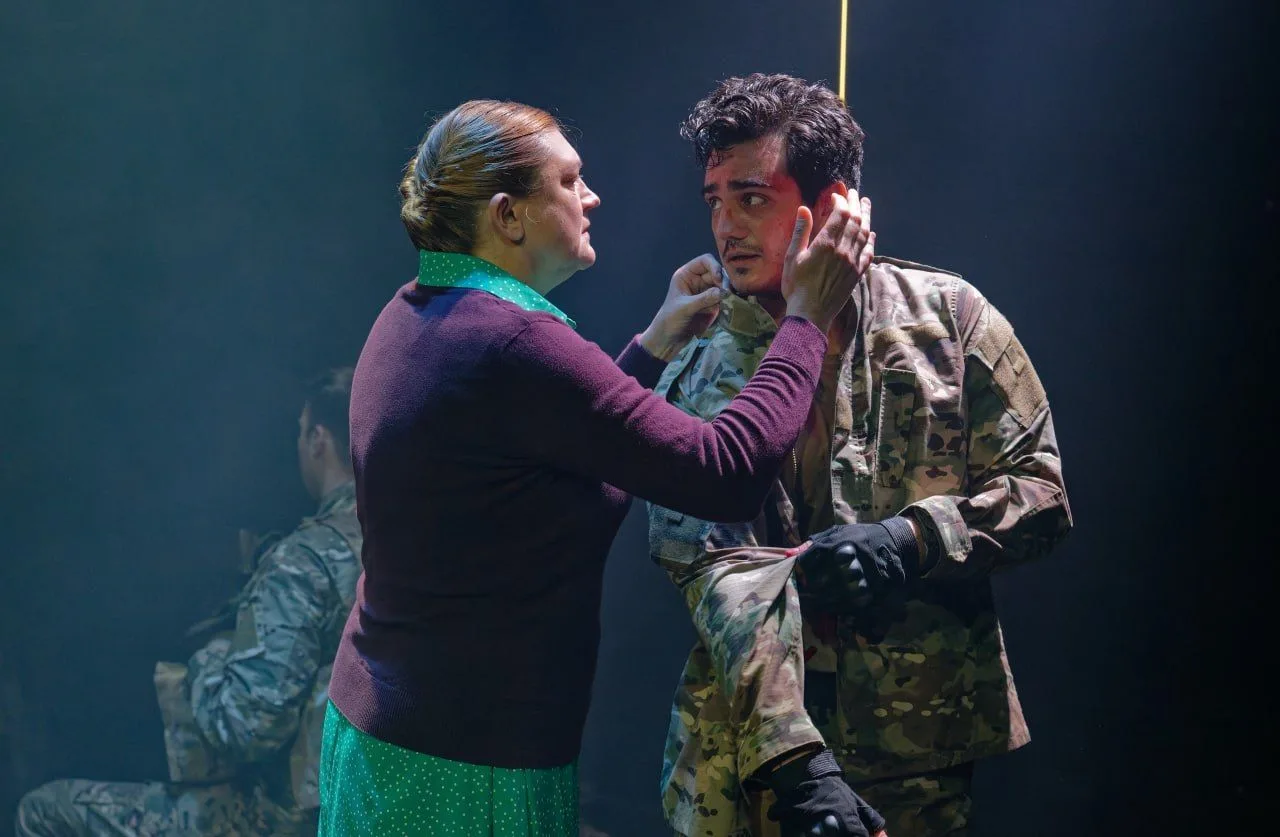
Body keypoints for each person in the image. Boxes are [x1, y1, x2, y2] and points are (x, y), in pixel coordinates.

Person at [320, 98, 881, 837]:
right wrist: (807, 316)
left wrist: (652, 346)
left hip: (393, 727)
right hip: (463, 756)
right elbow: (728, 472)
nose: (592, 197)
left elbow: (555, 468)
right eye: (569, 181)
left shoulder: (422, 311)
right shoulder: (515, 342)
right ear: (508, 216)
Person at [649, 74, 1073, 836]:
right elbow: (712, 567)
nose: (725, 227)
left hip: (915, 748)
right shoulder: (703, 352)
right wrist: (800, 769)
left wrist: (913, 538)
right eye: (715, 201)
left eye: (752, 198)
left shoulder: (952, 320)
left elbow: (1041, 491)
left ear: (836, 205)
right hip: (752, 769)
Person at [15, 369, 362, 837]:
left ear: (319, 439)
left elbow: (247, 728)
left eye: (301, 432)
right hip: (381, 807)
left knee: (43, 811)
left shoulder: (305, 560)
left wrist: (209, 660)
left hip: (286, 820)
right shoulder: (414, 547)